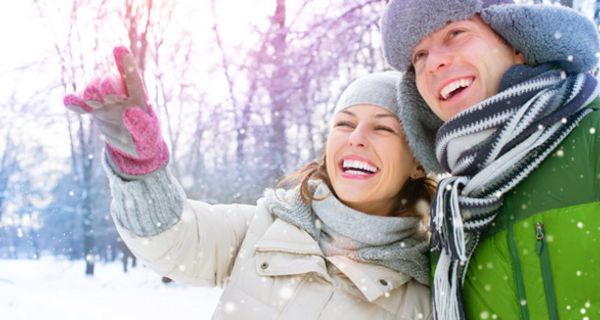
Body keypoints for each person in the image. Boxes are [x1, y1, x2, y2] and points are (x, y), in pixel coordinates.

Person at [62, 47, 436, 319]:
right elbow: (170, 240)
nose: (356, 137)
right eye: (344, 123)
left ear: (417, 163)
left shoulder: (424, 293)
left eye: (383, 127)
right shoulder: (266, 227)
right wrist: (139, 165)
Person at [380, 0, 600, 319]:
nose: (434, 64)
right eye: (419, 56)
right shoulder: (452, 215)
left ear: (517, 45)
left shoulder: (592, 137)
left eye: (456, 32)